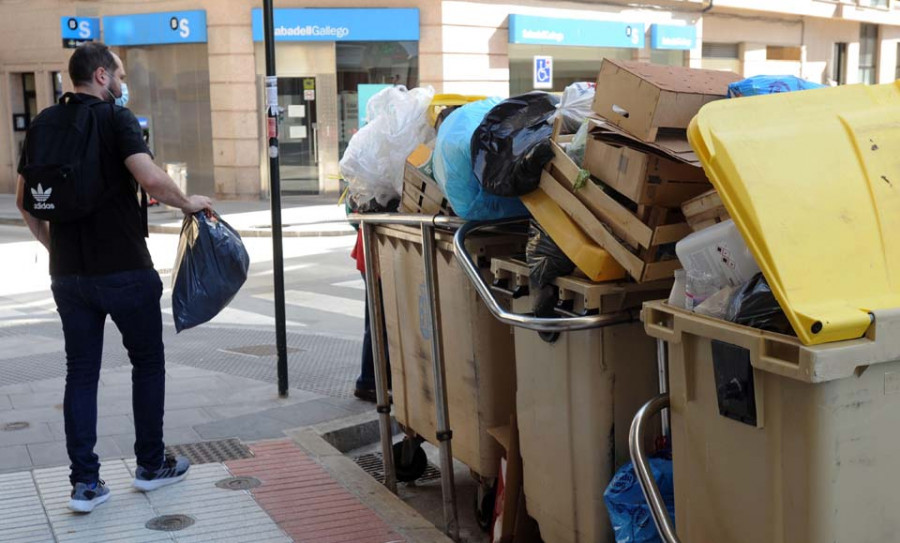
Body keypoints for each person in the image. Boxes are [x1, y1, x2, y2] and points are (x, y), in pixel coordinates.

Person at [15, 42, 212, 513]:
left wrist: (52, 247)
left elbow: (25, 200)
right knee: (147, 363)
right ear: (102, 76)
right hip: (124, 267)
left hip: (69, 275)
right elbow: (150, 179)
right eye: (119, 75)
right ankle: (150, 466)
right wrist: (190, 203)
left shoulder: (43, 123)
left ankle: (85, 484)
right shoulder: (116, 119)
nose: (123, 84)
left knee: (80, 373)